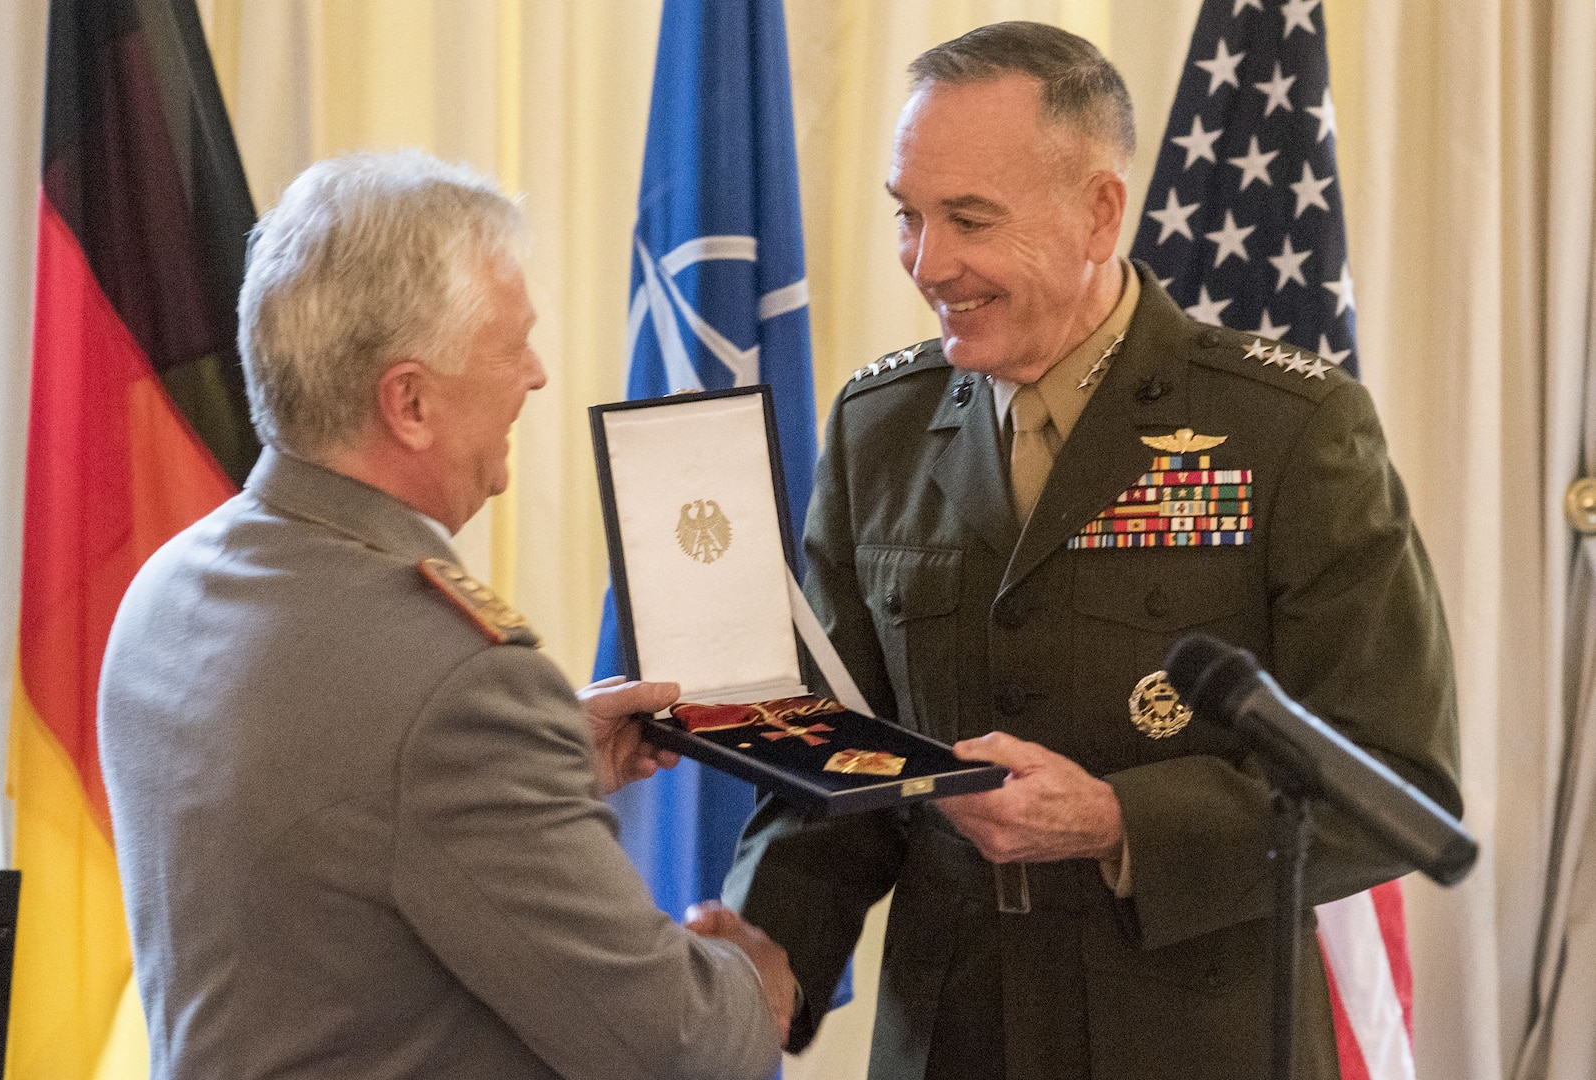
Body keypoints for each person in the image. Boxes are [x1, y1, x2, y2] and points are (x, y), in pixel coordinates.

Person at [723, 22, 1461, 1080]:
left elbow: (1397, 782)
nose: (927, 264)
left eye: (968, 219)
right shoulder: (876, 427)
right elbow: (841, 756)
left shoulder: (1285, 428)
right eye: (908, 216)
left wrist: (1118, 822)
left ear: (1098, 210)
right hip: (952, 1040)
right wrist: (766, 956)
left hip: (1198, 1045)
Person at [99, 150, 793, 1080]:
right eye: (513, 345)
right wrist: (755, 984)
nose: (537, 376)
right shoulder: (460, 682)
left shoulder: (167, 587)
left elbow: (326, 846)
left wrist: (541, 766)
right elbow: (673, 1046)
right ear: (411, 402)